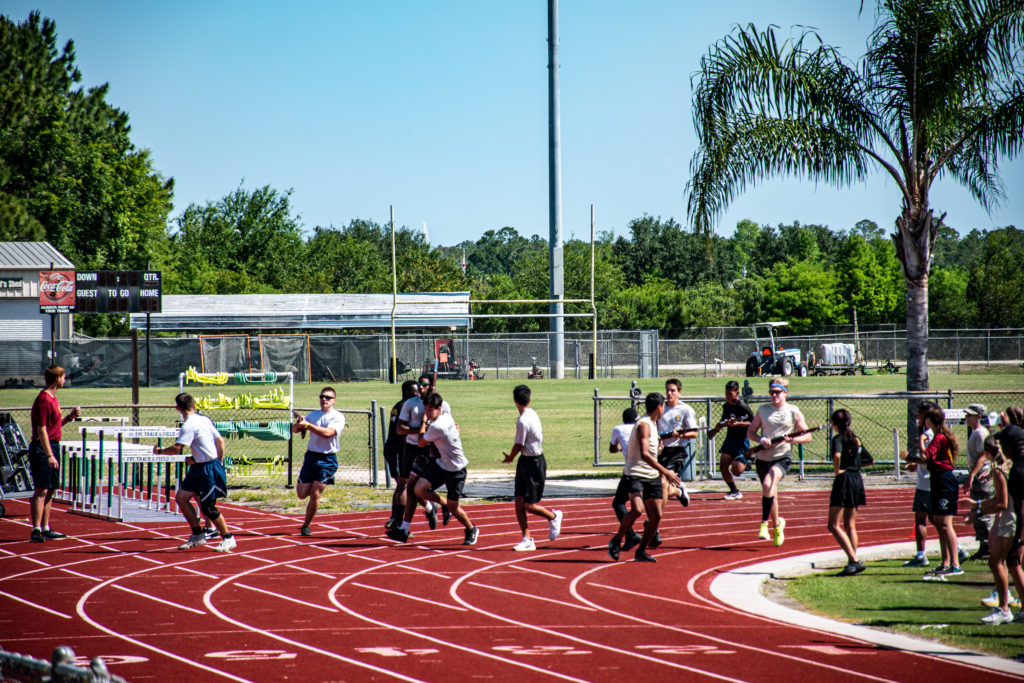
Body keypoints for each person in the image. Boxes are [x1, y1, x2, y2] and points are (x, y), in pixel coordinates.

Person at [388, 392, 478, 545]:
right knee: (418, 490)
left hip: (456, 469)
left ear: (439, 408)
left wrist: (423, 422)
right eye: (426, 410)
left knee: (454, 507)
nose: (427, 413)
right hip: (440, 464)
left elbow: (422, 442)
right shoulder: (445, 417)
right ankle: (439, 505)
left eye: (430, 410)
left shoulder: (438, 425)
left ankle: (471, 528)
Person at [155, 393, 235, 552]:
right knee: (181, 497)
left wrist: (160, 451)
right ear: (195, 405)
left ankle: (228, 537)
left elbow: (177, 449)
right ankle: (198, 535)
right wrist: (216, 459)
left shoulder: (189, 425)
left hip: (208, 468)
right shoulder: (204, 419)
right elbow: (220, 441)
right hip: (199, 466)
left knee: (208, 507)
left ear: (178, 408)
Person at [608, 392, 681, 563]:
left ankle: (641, 551)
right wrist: (666, 472)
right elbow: (645, 454)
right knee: (638, 509)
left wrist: (660, 450)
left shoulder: (653, 424)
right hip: (635, 475)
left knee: (656, 516)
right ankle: (617, 540)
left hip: (651, 475)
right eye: (664, 406)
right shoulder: (644, 425)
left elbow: (651, 451)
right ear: (659, 407)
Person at [746, 378, 812, 546]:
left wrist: (793, 440)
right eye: (771, 392)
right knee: (770, 491)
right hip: (763, 458)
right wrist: (761, 439)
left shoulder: (793, 411)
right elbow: (751, 432)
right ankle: (777, 525)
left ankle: (763, 524)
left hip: (782, 457)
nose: (773, 395)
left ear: (785, 393)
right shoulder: (763, 410)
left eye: (777, 392)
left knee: (768, 484)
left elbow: (807, 436)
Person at [502, 385, 562, 551]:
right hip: (525, 462)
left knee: (529, 505)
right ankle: (527, 538)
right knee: (519, 501)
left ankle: (554, 516)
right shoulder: (532, 413)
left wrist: (509, 458)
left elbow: (518, 444)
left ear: (515, 402)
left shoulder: (522, 421)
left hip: (534, 463)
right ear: (529, 399)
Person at [969, 436, 1021, 624]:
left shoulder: (999, 471)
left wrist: (978, 510)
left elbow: (1002, 503)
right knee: (1013, 564)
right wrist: (978, 505)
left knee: (996, 562)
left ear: (988, 453)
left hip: (1010, 519)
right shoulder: (1010, 465)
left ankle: (1004, 608)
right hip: (1016, 517)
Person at [28, 365, 81, 543]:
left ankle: (45, 527)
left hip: (53, 445)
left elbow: (54, 427)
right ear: (57, 378)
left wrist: (69, 417)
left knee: (51, 488)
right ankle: (35, 529)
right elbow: (41, 429)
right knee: (41, 488)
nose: (65, 381)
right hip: (43, 448)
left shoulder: (54, 399)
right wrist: (49, 454)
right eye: (63, 377)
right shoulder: (44, 399)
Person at [394, 375, 450, 534]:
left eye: (424, 384)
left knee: (416, 489)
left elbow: (450, 426)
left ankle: (405, 528)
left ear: (431, 386)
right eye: (418, 384)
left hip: (430, 451)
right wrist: (419, 429)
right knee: (412, 489)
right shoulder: (411, 404)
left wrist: (429, 431)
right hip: (412, 448)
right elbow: (399, 429)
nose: (420, 387)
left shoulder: (442, 405)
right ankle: (430, 508)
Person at [291, 387, 346, 537]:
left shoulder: (338, 417)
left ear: (334, 400)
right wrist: (299, 423)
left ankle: (306, 525)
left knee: (315, 493)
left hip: (327, 459)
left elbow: (328, 433)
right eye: (322, 396)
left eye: (328, 397)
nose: (324, 399)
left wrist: (307, 426)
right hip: (311, 457)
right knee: (302, 494)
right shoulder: (313, 415)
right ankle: (310, 502)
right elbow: (295, 430)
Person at [920, 406, 963, 580]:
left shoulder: (938, 437)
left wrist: (921, 440)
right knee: (938, 522)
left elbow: (926, 456)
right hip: (938, 478)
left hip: (944, 480)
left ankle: (955, 564)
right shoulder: (940, 436)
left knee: (945, 524)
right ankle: (946, 562)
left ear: (930, 420)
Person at [828, 409, 867, 576]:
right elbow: (869, 460)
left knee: (833, 525)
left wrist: (838, 471)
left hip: (844, 480)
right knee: (850, 525)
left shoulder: (838, 438)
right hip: (857, 479)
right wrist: (854, 467)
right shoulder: (855, 439)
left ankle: (853, 560)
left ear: (834, 425)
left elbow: (837, 456)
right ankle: (853, 560)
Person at [902, 400, 938, 567]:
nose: (917, 417)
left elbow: (927, 458)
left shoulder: (928, 435)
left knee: (921, 518)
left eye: (920, 414)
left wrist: (908, 458)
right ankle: (957, 548)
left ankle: (921, 554)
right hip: (933, 480)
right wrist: (915, 465)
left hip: (926, 483)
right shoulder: (938, 433)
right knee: (937, 519)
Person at [996, 406, 1024, 619]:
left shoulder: (1018, 470)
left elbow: (1021, 506)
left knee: (1013, 562)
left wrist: (1019, 539)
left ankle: (1012, 608)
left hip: (1020, 525)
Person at [707, 380, 754, 500]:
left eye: (730, 394)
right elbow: (724, 420)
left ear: (737, 393)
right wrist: (716, 428)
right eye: (726, 393)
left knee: (737, 471)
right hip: (729, 440)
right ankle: (734, 490)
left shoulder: (742, 406)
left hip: (741, 441)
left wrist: (738, 423)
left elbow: (753, 423)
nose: (727, 397)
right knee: (723, 467)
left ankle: (748, 457)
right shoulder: (726, 406)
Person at [383, 380, 418, 530]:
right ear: (407, 392)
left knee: (400, 485)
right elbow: (402, 431)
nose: (418, 394)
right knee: (403, 484)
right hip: (398, 448)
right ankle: (397, 521)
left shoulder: (398, 405)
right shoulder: (406, 407)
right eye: (415, 391)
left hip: (391, 447)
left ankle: (394, 518)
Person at [656, 379, 694, 509]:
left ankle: (655, 521)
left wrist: (680, 435)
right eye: (667, 390)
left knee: (663, 483)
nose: (669, 393)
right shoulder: (660, 407)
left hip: (677, 451)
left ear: (679, 392)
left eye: (672, 390)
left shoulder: (685, 410)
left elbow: (694, 433)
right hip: (661, 451)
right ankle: (678, 491)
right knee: (660, 488)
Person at [963, 403, 994, 560]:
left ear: (979, 417)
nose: (967, 417)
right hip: (978, 473)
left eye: (970, 415)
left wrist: (972, 475)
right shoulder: (976, 433)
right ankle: (984, 544)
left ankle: (987, 546)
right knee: (978, 509)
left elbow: (983, 456)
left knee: (981, 509)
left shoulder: (980, 433)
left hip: (981, 475)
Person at [609, 407, 642, 550]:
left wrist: (620, 448)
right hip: (649, 468)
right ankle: (646, 533)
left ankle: (630, 533)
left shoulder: (618, 429)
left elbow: (612, 449)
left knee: (618, 503)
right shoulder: (643, 427)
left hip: (632, 470)